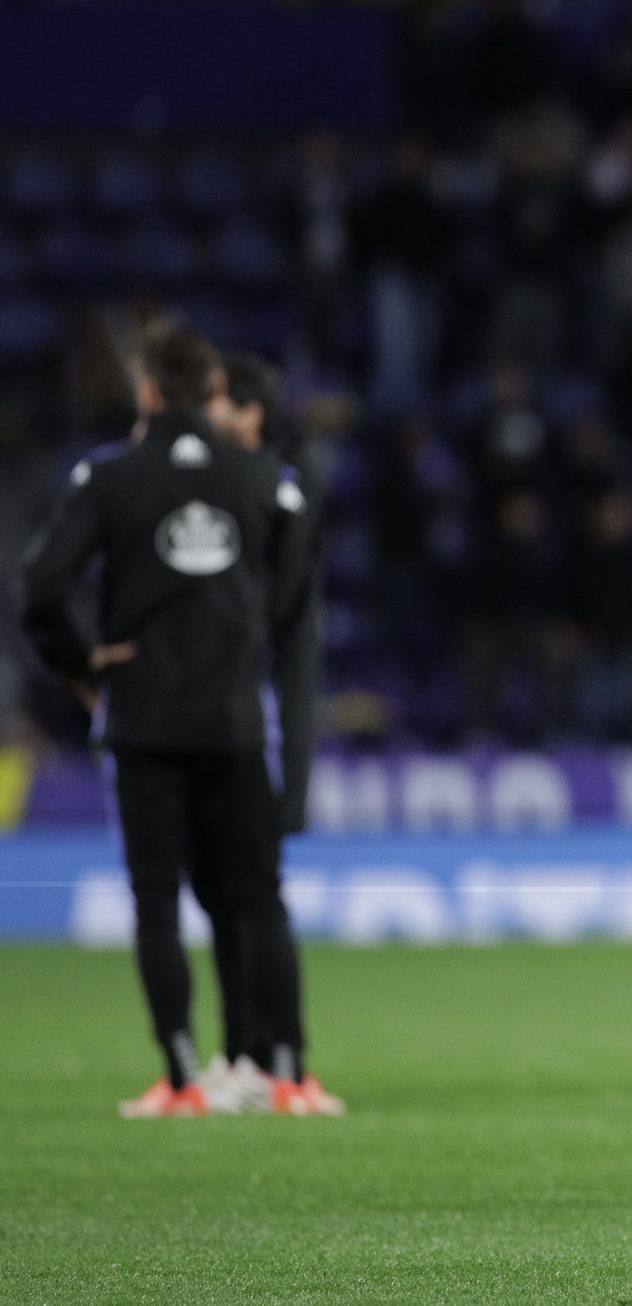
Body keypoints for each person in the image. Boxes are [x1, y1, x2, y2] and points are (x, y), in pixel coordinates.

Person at [17, 324, 334, 1117]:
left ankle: (186, 1078)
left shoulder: (111, 479)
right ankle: (287, 1074)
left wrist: (83, 662)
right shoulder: (264, 481)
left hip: (144, 723)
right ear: (211, 393)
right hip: (232, 722)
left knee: (158, 901)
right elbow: (291, 605)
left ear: (149, 391)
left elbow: (40, 584)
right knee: (258, 895)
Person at [183, 350, 325, 1113]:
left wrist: (292, 764)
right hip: (222, 716)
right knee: (224, 896)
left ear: (247, 413)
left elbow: (286, 629)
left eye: (215, 405)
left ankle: (282, 1059)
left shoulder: (275, 495)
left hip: (253, 718)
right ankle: (245, 1053)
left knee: (253, 894)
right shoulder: (248, 490)